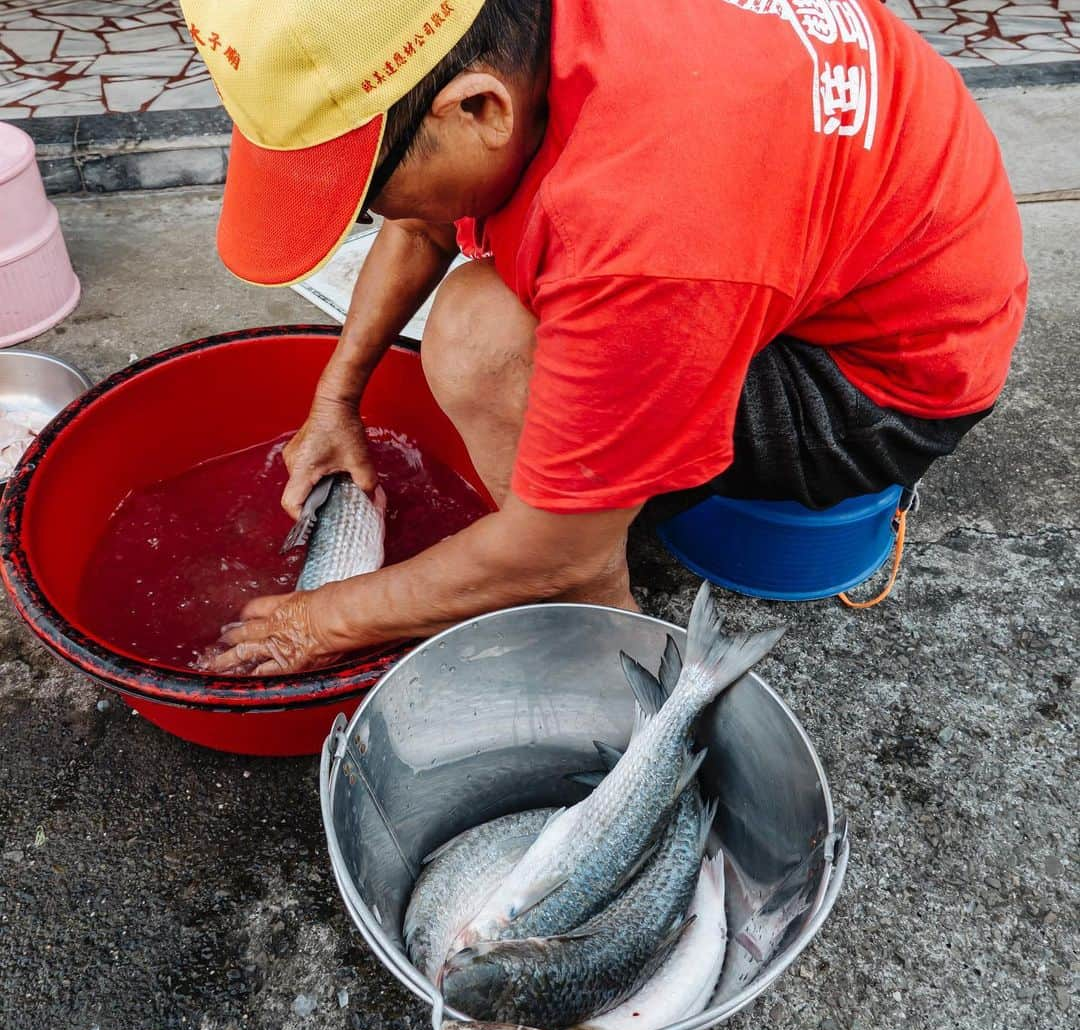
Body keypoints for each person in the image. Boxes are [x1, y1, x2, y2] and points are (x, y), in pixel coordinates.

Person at [180, 0, 1027, 675]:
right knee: (479, 255)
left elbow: (555, 547)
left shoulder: (648, 221)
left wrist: (317, 619)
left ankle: (602, 635)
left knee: (479, 338)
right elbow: (430, 211)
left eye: (367, 198)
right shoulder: (501, 34)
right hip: (800, 247)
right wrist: (336, 401)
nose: (379, 222)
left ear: (478, 106)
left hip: (877, 382)